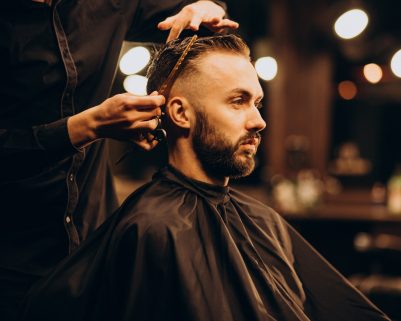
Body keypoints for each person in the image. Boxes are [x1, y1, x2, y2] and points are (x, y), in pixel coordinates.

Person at [21, 35, 389, 321]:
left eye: (257, 103)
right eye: (237, 101)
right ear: (180, 113)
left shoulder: (263, 222)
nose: (259, 121)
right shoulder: (152, 229)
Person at [0, 1, 238, 320]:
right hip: (11, 261)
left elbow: (194, 8)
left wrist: (204, 6)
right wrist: (89, 126)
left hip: (93, 247)